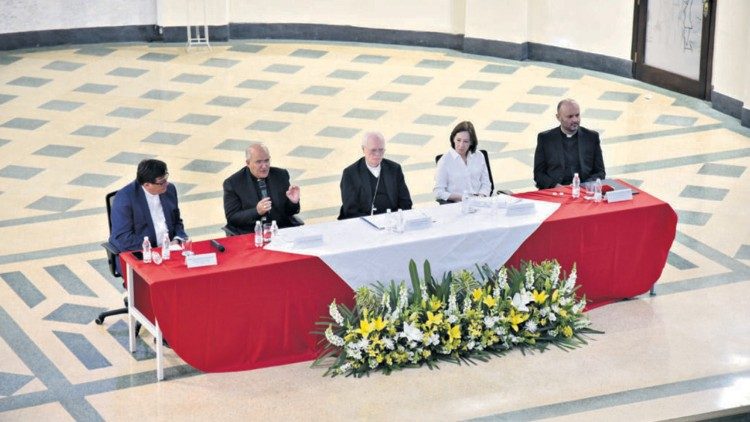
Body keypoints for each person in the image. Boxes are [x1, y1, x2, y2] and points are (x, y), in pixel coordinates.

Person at [109, 159, 188, 272]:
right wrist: (155, 249)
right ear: (147, 185)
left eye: (166, 178)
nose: (167, 183)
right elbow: (123, 238)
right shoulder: (124, 198)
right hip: (140, 254)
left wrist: (177, 239)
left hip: (169, 251)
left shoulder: (170, 189)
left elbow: (177, 221)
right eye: (161, 182)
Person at [223, 143, 301, 233]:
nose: (264, 166)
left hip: (281, 230)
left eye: (266, 160)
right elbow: (232, 218)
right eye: (259, 162)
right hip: (251, 233)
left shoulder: (281, 175)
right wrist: (256, 211)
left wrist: (293, 202)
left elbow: (289, 212)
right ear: (248, 163)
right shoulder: (233, 183)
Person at [533, 98, 605, 189]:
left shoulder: (592, 137)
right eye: (570, 116)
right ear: (558, 117)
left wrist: (585, 186)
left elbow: (600, 172)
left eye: (577, 115)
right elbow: (538, 174)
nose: (575, 120)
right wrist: (555, 186)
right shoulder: (545, 139)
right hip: (555, 192)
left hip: (584, 191)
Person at [338, 131, 412, 219]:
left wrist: (396, 218)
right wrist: (373, 221)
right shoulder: (350, 174)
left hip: (393, 221)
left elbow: (406, 202)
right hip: (364, 223)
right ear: (363, 149)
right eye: (373, 150)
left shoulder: (394, 169)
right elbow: (351, 210)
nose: (377, 154)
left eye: (381, 150)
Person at [434, 121, 491, 202]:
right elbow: (438, 192)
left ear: (471, 142)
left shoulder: (479, 156)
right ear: (453, 139)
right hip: (458, 205)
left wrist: (481, 196)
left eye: (465, 141)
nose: (461, 145)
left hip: (481, 202)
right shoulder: (444, 161)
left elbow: (486, 183)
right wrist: (461, 198)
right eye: (458, 140)